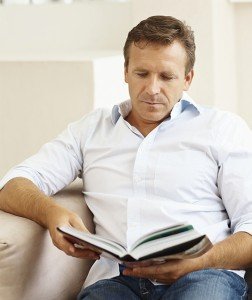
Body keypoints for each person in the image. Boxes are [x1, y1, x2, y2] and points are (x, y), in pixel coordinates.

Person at [0, 15, 252, 300]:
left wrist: (200, 261)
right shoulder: (91, 130)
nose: (152, 89)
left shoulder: (222, 128)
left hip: (204, 274)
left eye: (167, 77)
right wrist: (51, 214)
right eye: (142, 74)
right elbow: (12, 184)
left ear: (187, 79)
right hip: (118, 282)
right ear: (125, 71)